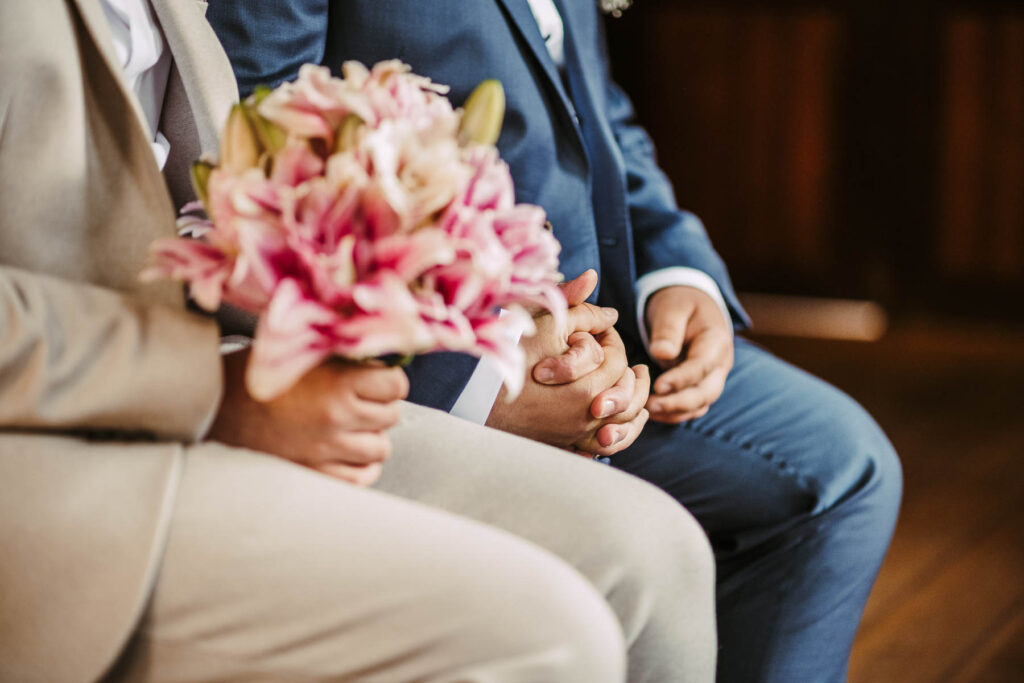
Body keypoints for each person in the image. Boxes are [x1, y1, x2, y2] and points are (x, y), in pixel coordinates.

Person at [0, 1, 718, 681]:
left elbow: (213, 198)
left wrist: (485, 318)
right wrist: (208, 385)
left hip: (229, 365)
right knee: (553, 635)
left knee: (659, 556)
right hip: (53, 449)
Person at [206, 1, 904, 681]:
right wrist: (481, 383)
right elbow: (256, 161)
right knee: (635, 562)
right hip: (424, 360)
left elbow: (597, 111)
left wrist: (678, 273)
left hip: (610, 332)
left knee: (845, 469)